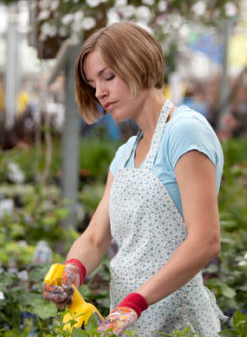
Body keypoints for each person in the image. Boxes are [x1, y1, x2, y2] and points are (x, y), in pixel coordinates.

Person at [42, 22, 225, 336]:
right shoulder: (126, 154)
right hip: (129, 322)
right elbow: (95, 238)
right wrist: (72, 271)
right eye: (92, 83)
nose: (99, 92)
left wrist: (136, 302)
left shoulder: (184, 131)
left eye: (108, 77)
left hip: (177, 322)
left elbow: (206, 240)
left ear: (138, 65)